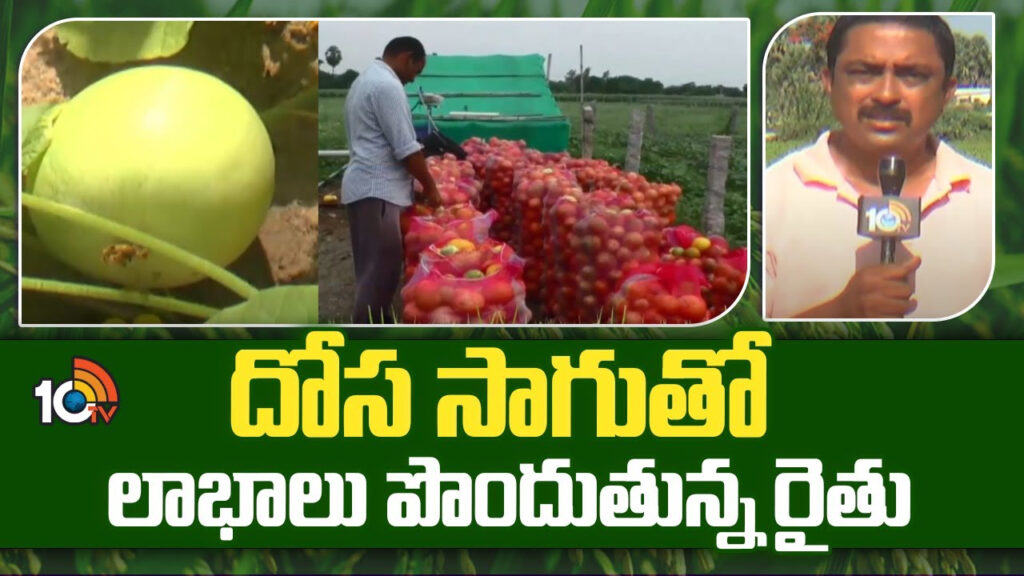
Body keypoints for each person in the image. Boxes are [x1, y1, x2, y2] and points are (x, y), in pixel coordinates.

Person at [764, 15, 993, 319]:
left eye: (913, 75)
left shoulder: (992, 201)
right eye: (863, 73)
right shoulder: (770, 197)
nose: (886, 95)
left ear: (947, 93)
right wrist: (838, 312)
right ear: (828, 82)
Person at [341, 36, 442, 323]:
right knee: (380, 272)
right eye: (416, 70)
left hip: (367, 188)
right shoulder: (387, 86)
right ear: (406, 57)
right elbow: (406, 148)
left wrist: (412, 186)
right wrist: (431, 187)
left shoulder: (364, 81)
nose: (413, 79)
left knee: (372, 270)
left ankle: (378, 326)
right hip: (377, 191)